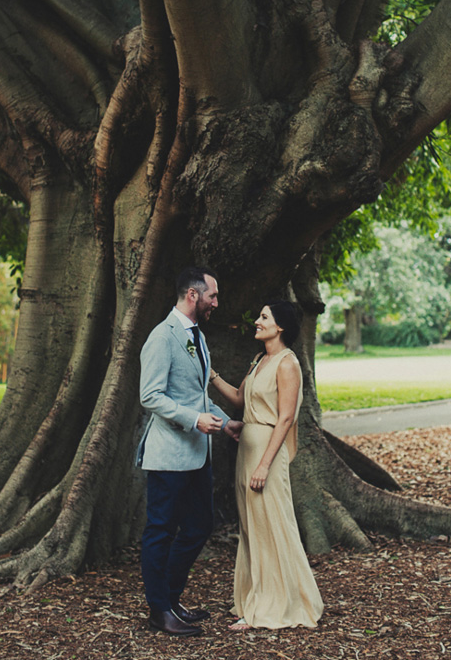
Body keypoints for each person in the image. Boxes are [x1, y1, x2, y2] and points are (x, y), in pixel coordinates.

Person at [136, 266, 243, 637]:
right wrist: (193, 420)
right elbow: (150, 396)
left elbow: (197, 394)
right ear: (193, 296)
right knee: (161, 531)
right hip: (168, 455)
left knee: (199, 527)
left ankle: (171, 598)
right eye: (212, 295)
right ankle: (158, 611)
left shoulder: (197, 336)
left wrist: (224, 421)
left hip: (198, 455)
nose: (217, 302)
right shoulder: (161, 337)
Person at [209, 299, 324, 630]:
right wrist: (211, 374)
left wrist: (264, 465)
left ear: (280, 326)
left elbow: (286, 418)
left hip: (267, 454)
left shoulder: (287, 364)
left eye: (263, 317)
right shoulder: (259, 359)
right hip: (247, 449)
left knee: (273, 524)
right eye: (259, 316)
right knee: (251, 527)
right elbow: (237, 399)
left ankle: (275, 604)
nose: (257, 322)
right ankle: (252, 598)